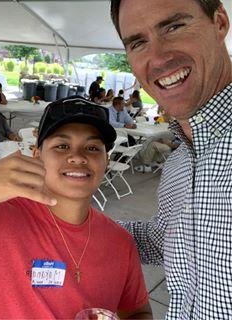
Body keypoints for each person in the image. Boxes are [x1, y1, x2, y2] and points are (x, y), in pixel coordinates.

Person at [0, 96, 152, 319]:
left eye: (92, 148)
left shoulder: (120, 243)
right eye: (62, 146)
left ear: (105, 161)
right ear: (37, 155)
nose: (78, 157)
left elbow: (138, 312)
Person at [111, 0, 232, 318]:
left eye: (174, 26)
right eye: (138, 42)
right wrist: (70, 221)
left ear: (220, 22)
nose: (158, 57)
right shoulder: (180, 165)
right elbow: (161, 239)